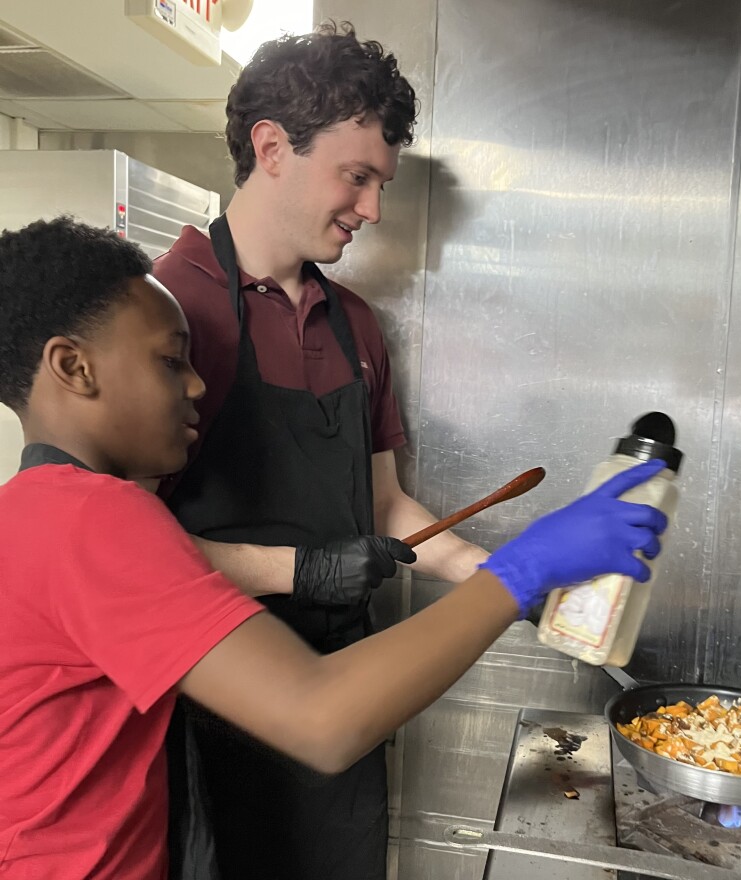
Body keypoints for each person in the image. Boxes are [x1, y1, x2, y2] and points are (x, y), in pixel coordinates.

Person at [0, 216, 667, 880]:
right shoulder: (94, 517)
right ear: (73, 367)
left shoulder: (36, 510)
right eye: (171, 361)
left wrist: (489, 568)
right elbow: (324, 718)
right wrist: (526, 568)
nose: (197, 385)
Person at [150, 21, 494, 880]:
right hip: (212, 712)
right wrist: (297, 572)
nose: (373, 209)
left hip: (350, 688)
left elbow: (384, 505)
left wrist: (502, 576)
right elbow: (122, 553)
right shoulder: (163, 314)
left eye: (381, 183)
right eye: (357, 177)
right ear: (272, 147)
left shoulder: (358, 326)